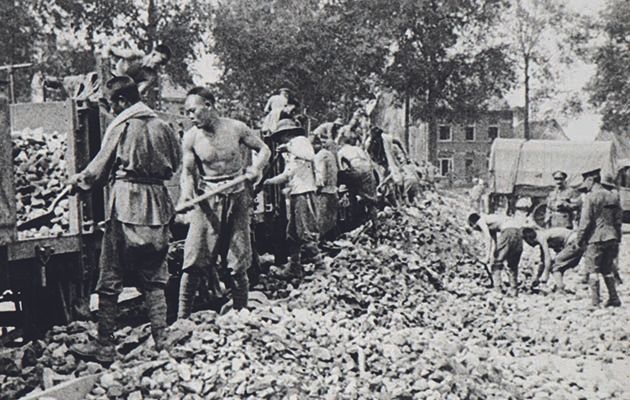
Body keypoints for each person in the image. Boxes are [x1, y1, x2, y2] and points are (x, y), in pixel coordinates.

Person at [67, 76, 182, 363]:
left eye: (112, 103)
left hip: (127, 203)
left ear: (121, 101)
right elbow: (175, 164)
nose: (112, 109)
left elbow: (98, 170)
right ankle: (163, 342)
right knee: (155, 277)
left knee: (110, 275)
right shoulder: (164, 126)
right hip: (158, 204)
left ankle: (105, 344)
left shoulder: (123, 125)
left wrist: (78, 183)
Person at [177, 87, 271, 318]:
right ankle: (182, 319)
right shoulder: (191, 138)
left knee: (238, 263)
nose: (190, 116)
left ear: (208, 105)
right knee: (193, 260)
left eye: (193, 110)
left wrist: (255, 168)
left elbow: (264, 149)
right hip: (207, 200)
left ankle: (241, 314)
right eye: (187, 112)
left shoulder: (236, 128)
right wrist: (186, 195)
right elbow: (188, 174)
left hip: (237, 196)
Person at [264, 130, 320, 278]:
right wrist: (268, 181)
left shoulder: (301, 141)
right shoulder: (289, 151)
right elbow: (287, 174)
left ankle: (320, 265)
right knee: (293, 234)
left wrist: (289, 148)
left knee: (305, 232)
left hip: (305, 192)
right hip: (296, 194)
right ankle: (294, 267)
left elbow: (310, 156)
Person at [575, 169, 622, 307]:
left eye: (586, 182)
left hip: (596, 238)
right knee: (607, 269)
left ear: (591, 180)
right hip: (612, 236)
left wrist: (579, 239)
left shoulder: (591, 197)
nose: (586, 186)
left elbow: (585, 221)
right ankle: (614, 298)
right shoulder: (613, 196)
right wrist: (617, 238)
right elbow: (618, 219)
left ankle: (595, 302)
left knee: (593, 270)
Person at [467, 206, 531, 296]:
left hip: (508, 231)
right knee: (512, 263)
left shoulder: (480, 220)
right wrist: (493, 254)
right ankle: (514, 289)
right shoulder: (492, 222)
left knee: (496, 263)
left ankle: (497, 288)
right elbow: (494, 242)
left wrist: (487, 258)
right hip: (518, 232)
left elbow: (487, 238)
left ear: (473, 224)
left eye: (474, 228)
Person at [337, 133, 379, 232]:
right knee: (372, 201)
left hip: (355, 169)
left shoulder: (341, 151)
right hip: (368, 169)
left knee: (350, 191)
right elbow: (371, 163)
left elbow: (341, 168)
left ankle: (350, 221)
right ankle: (375, 227)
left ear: (342, 143)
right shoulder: (359, 149)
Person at [521, 227, 583, 292]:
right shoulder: (542, 235)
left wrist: (546, 277)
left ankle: (560, 288)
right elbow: (543, 261)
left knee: (555, 266)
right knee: (559, 266)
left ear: (529, 239)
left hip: (574, 242)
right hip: (577, 242)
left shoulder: (541, 237)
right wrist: (537, 277)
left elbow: (548, 259)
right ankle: (560, 286)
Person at [107, 43, 172, 96]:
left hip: (120, 92)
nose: (162, 64)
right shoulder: (136, 55)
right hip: (108, 79)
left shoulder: (152, 76)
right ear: (154, 54)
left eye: (164, 63)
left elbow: (137, 93)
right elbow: (108, 49)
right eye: (162, 60)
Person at [312, 135, 339, 240]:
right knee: (331, 221)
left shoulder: (319, 156)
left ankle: (319, 244)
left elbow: (321, 179)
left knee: (320, 221)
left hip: (324, 193)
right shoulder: (330, 154)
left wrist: (315, 191)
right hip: (333, 191)